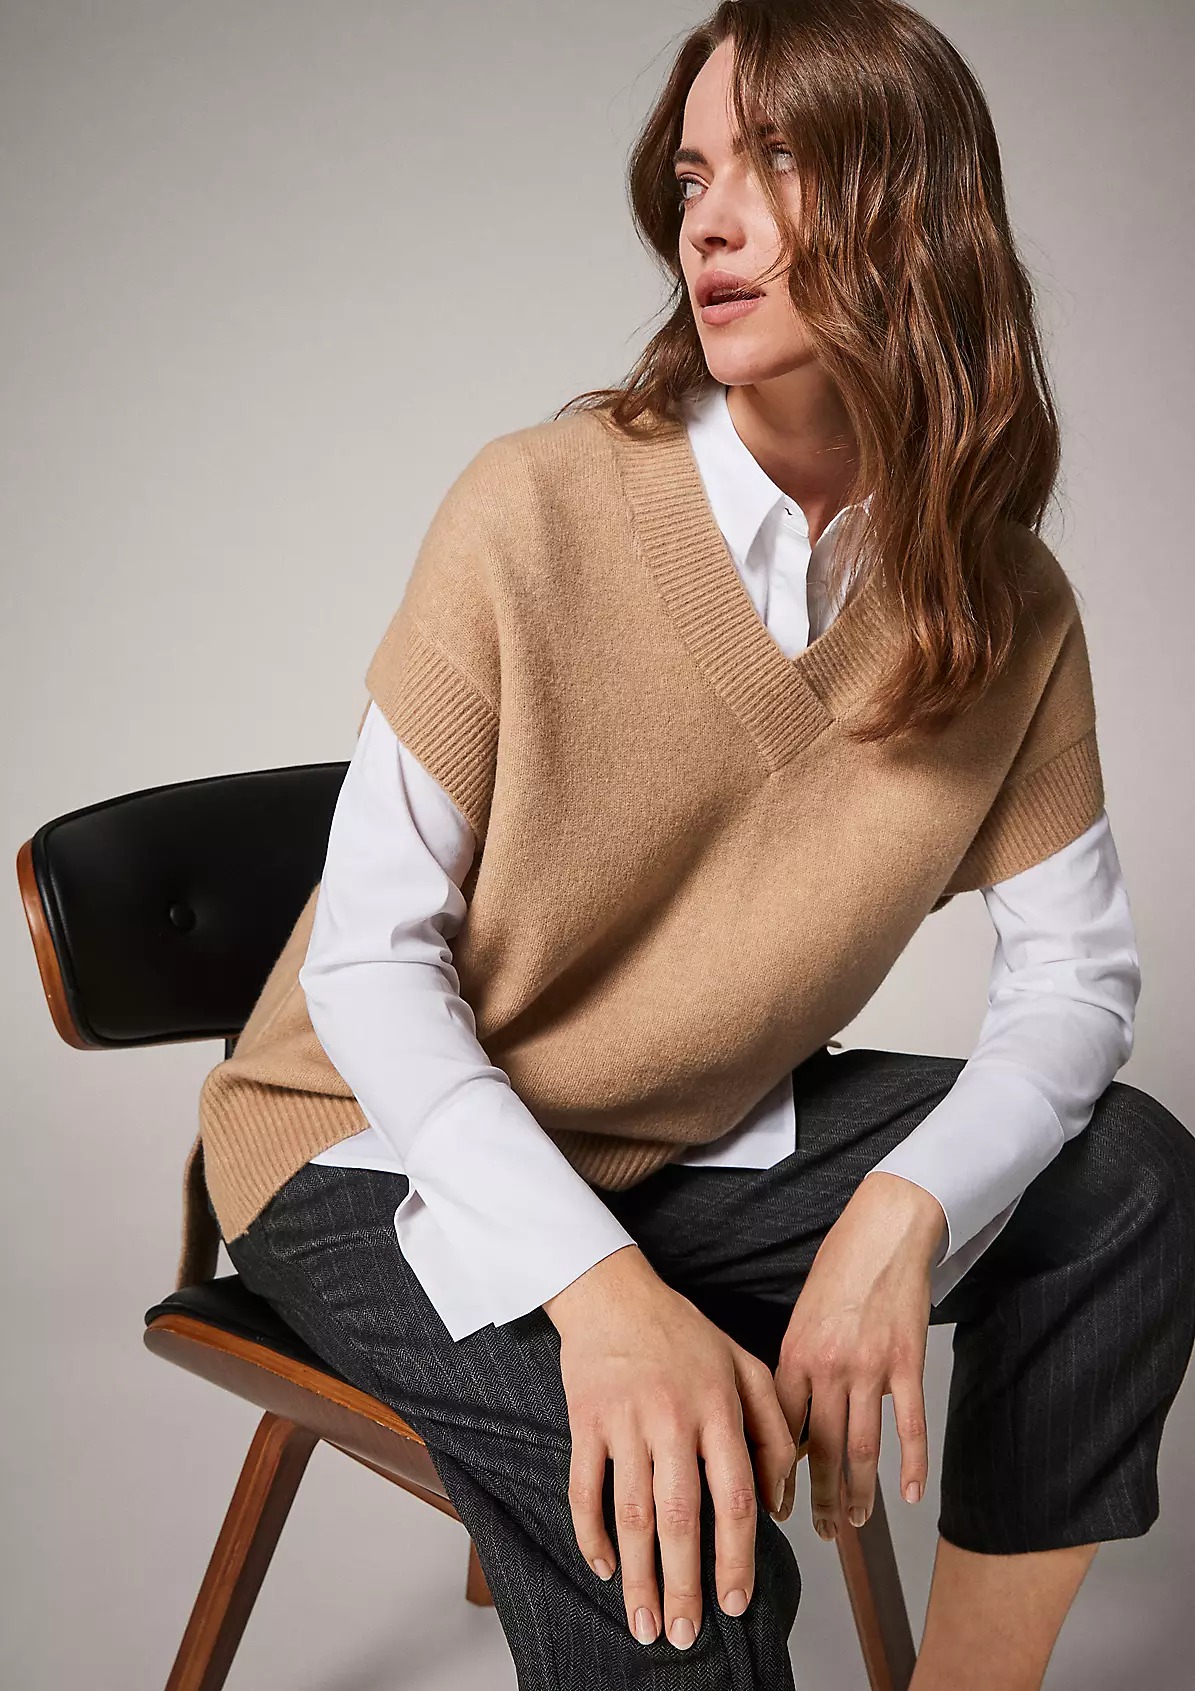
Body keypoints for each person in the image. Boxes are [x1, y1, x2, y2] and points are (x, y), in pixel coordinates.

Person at [192, 3, 1195, 1686]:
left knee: (1129, 1182)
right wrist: (605, 1297)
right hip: (361, 1141)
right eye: (691, 176)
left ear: (914, 203)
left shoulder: (1005, 604)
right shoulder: (537, 504)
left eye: (774, 162)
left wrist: (904, 1211)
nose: (708, 224)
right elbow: (366, 966)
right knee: (683, 1521)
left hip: (686, 1142)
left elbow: (1077, 982)